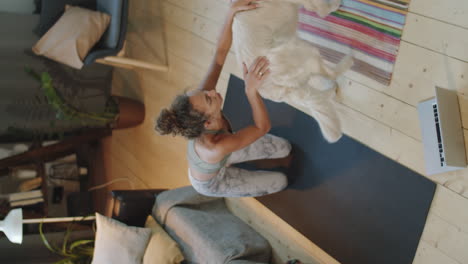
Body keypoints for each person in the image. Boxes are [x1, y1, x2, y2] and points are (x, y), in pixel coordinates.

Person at [155, 0, 291, 197]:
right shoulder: (216, 146)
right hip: (213, 181)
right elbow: (262, 127)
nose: (211, 92)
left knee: (284, 147)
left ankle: (235, 158)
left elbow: (219, 55)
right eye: (209, 99)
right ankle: (234, 170)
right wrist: (251, 91)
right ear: (208, 121)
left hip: (222, 153)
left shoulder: (200, 105)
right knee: (280, 181)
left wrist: (231, 12)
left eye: (205, 93)